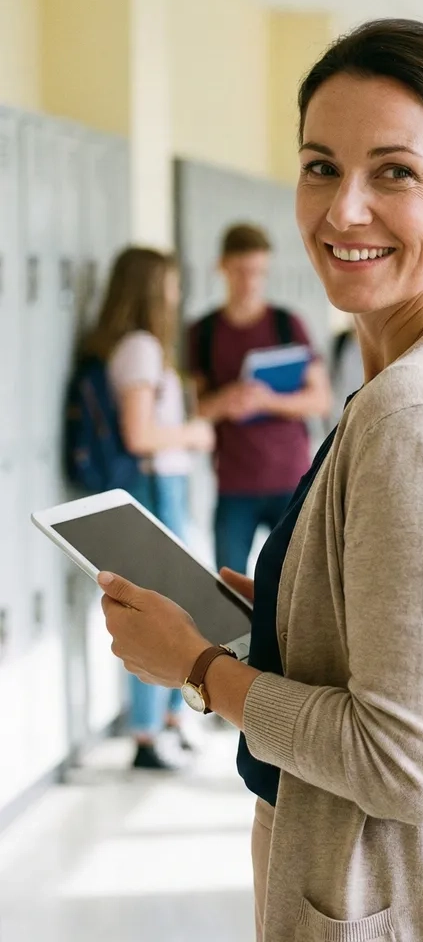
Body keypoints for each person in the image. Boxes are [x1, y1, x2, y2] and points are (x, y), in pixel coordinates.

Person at [97, 18, 423, 942]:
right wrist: (286, 610)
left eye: (394, 171)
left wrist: (196, 668)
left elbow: (397, 759)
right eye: (321, 166)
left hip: (414, 907)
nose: (342, 210)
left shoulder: (419, 415)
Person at [79, 246, 215, 770]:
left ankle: (167, 721)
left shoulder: (137, 347)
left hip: (165, 489)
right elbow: (140, 434)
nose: (177, 295)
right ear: (150, 289)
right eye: (170, 284)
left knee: (172, 606)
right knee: (157, 611)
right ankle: (145, 734)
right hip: (157, 489)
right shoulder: (139, 348)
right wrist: (196, 433)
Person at [187, 224, 332, 577]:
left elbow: (321, 399)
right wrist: (227, 400)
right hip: (234, 484)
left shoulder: (287, 324)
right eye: (241, 271)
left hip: (290, 481)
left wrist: (266, 401)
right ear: (222, 267)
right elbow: (194, 411)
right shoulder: (203, 333)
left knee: (295, 585)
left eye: (259, 272)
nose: (250, 281)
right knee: (227, 582)